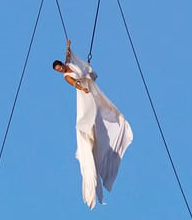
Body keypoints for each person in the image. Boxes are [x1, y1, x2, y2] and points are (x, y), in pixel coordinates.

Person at [53, 41, 133, 209]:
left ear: (61, 65)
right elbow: (73, 83)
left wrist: (68, 47)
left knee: (103, 108)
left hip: (89, 87)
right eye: (58, 70)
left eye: (59, 67)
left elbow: (68, 57)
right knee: (88, 120)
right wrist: (82, 89)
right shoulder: (66, 76)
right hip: (84, 92)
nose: (60, 70)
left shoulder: (68, 64)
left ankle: (106, 125)